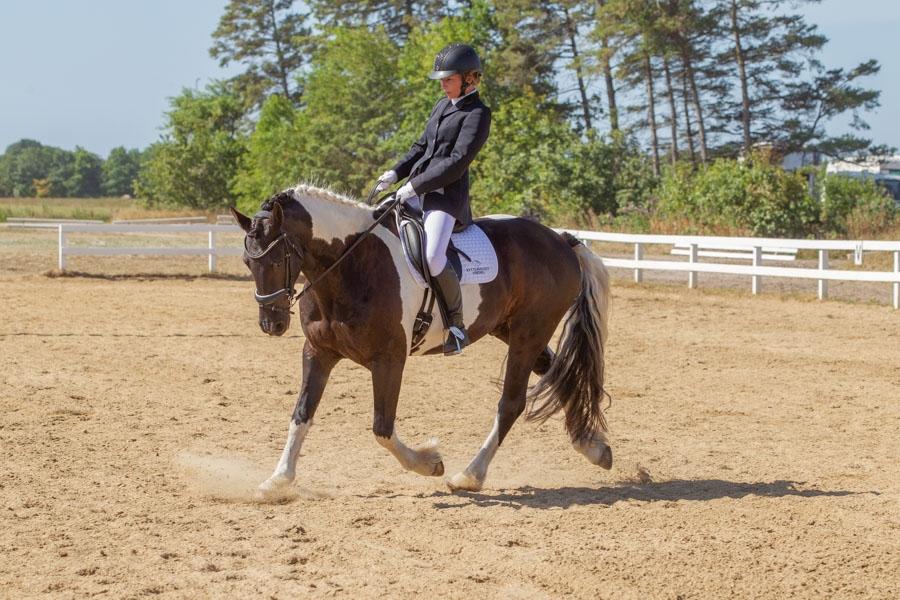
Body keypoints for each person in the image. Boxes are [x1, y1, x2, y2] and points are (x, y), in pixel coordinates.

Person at [375, 43, 491, 356]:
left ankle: (456, 325)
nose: (442, 83)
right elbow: (420, 148)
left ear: (469, 79)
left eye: (448, 78)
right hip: (415, 189)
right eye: (441, 79)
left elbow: (456, 161)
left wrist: (415, 186)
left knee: (433, 257)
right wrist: (395, 172)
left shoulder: (478, 114)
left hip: (445, 198)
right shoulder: (442, 105)